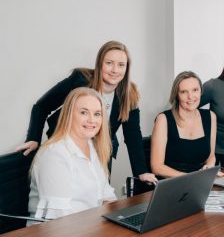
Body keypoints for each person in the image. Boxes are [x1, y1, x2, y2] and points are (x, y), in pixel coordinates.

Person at [16, 40, 157, 184]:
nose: (115, 70)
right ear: (100, 63)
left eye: (121, 65)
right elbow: (42, 106)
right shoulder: (80, 80)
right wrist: (33, 138)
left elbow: (133, 136)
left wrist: (142, 172)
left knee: (100, 196)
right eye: (109, 63)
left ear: (127, 68)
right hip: (68, 147)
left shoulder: (129, 94)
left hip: (101, 151)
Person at [28, 87, 117, 222]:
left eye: (97, 114)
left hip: (90, 227)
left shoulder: (94, 147)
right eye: (83, 112)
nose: (92, 120)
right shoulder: (55, 154)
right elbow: (60, 220)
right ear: (69, 115)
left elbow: (106, 196)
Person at [150, 71, 221, 178]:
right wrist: (190, 179)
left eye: (195, 90)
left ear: (201, 91)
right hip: (172, 184)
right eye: (184, 92)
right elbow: (157, 167)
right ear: (177, 95)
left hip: (201, 182)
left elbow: (211, 156)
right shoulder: (163, 119)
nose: (191, 96)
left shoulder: (211, 117)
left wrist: (209, 167)